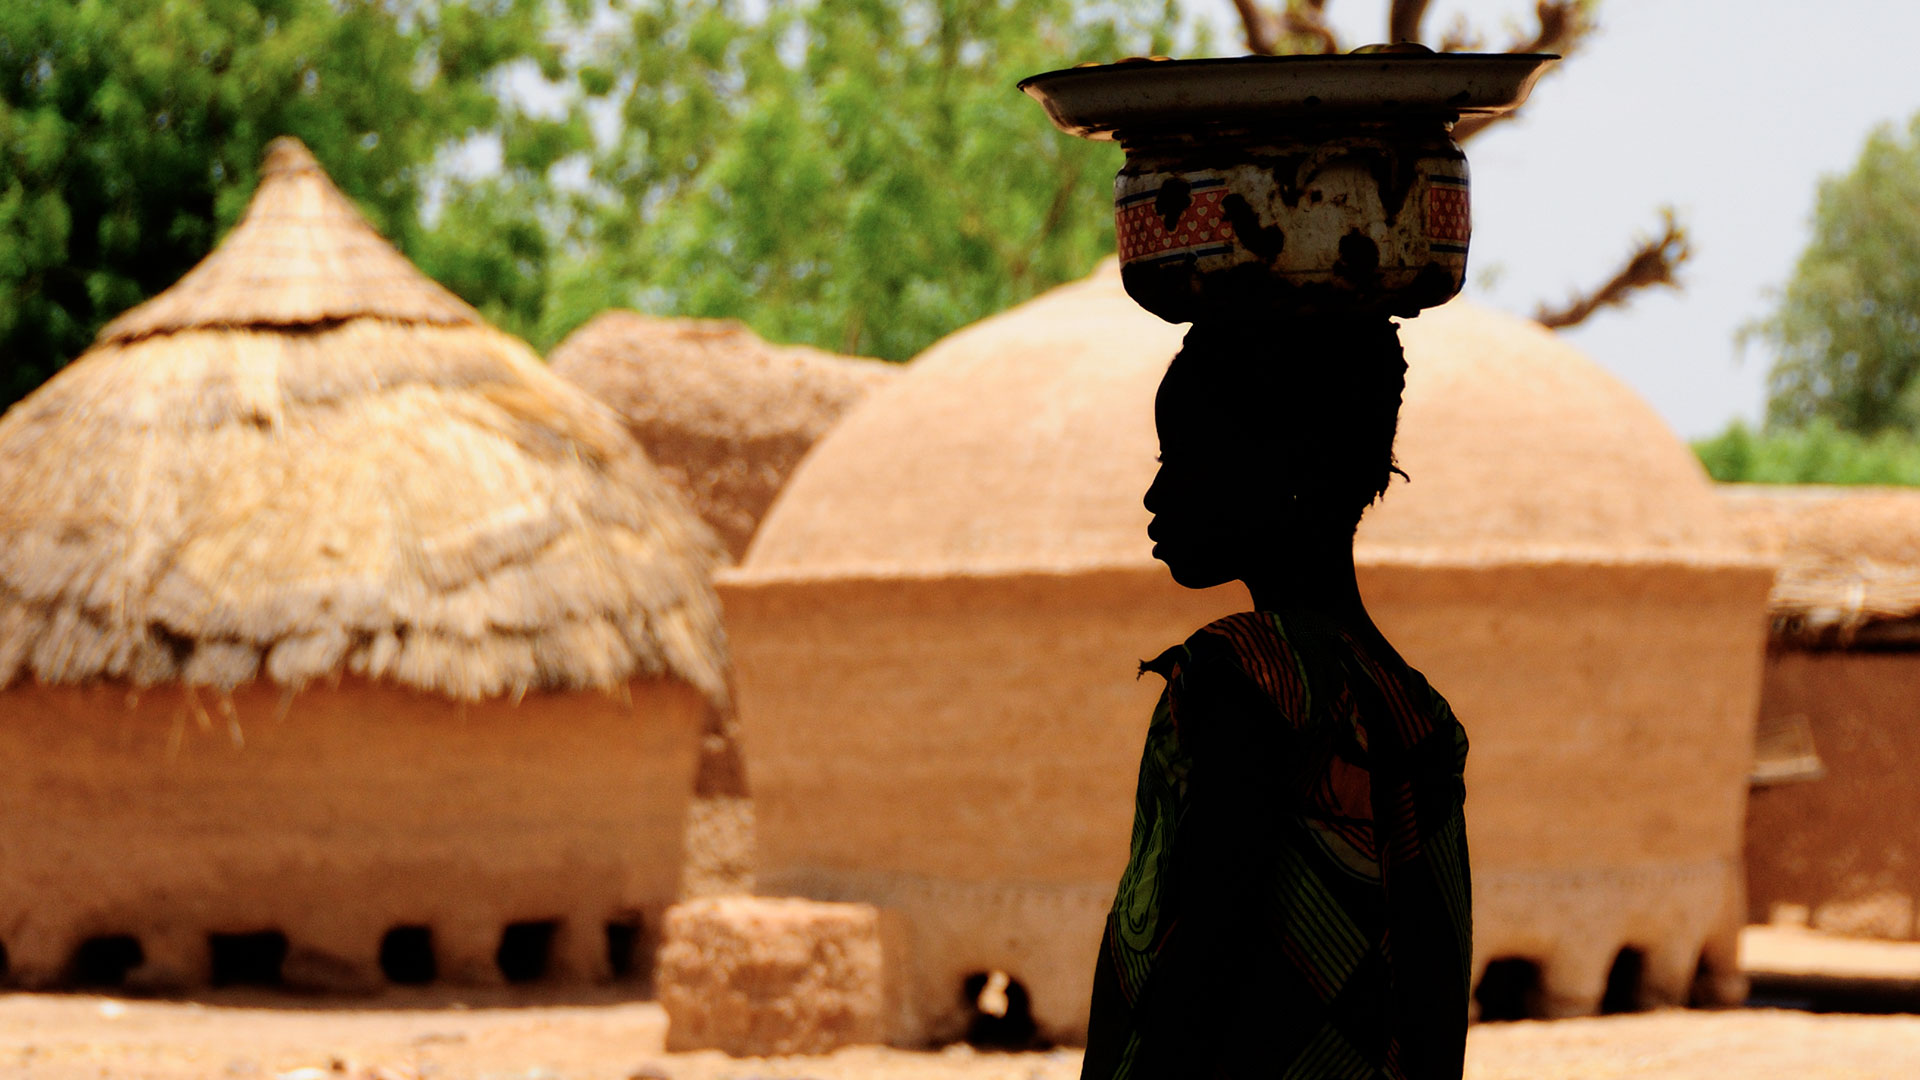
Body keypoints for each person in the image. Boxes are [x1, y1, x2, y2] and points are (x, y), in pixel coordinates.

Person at [1081, 316, 1472, 1079]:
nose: (1155, 492)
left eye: (1183, 458)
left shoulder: (1247, 675)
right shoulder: (1415, 706)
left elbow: (1198, 966)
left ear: (1284, 468)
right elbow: (1434, 993)